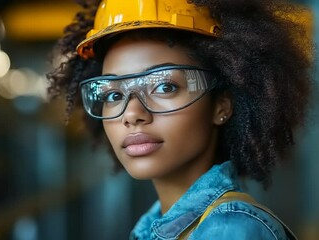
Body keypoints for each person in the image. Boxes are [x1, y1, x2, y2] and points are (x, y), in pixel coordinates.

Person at [47, 0, 313, 239]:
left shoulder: (231, 229)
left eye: (165, 87)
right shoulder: (155, 227)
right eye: (114, 94)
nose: (131, 114)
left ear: (222, 105)